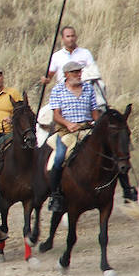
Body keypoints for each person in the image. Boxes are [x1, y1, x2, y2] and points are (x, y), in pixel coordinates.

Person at [45, 61, 101, 213]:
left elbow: (94, 111)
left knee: (106, 149)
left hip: (86, 129)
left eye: (79, 71)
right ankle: (55, 194)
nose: (78, 74)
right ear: (66, 75)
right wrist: (68, 124)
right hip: (66, 131)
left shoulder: (88, 89)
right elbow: (56, 115)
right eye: (75, 72)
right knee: (59, 158)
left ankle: (125, 187)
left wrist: (98, 123)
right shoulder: (58, 90)